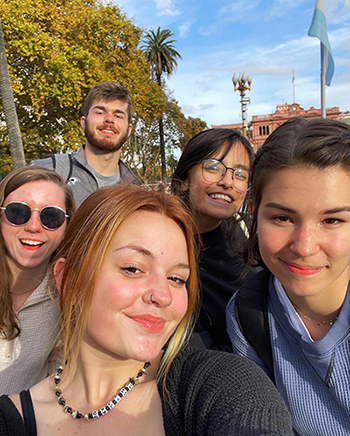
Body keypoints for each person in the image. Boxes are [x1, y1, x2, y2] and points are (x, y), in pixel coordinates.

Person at [0, 184, 294, 435]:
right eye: (133, 268)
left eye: (177, 278)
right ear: (69, 279)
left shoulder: (220, 389)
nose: (163, 295)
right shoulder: (11, 418)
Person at [226, 117, 350, 436]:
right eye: (282, 218)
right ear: (254, 212)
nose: (304, 247)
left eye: (333, 220)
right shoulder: (248, 315)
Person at [172, 128, 254, 350]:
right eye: (213, 168)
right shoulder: (159, 242)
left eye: (240, 174)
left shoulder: (252, 241)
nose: (228, 182)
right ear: (184, 180)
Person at [0, 166, 75, 395]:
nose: (33, 226)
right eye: (17, 212)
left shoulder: (65, 297)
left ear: (66, 227)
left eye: (51, 217)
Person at [32, 82, 139, 206]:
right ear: (83, 122)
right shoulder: (46, 172)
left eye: (118, 115)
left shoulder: (135, 192)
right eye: (100, 112)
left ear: (128, 130)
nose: (109, 119)